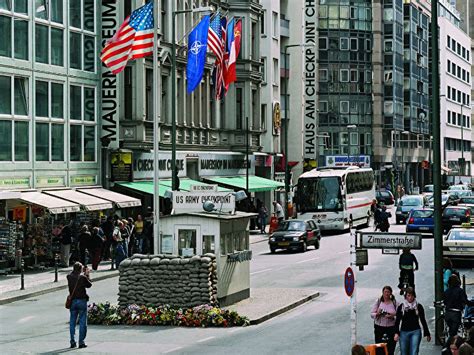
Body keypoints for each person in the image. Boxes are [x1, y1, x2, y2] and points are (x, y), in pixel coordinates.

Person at [394, 287, 431, 354]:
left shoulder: (418, 306)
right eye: (408, 296)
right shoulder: (401, 307)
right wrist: (396, 333)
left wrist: (427, 333)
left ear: (414, 296)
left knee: (414, 352)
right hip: (404, 332)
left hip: (415, 331)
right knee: (403, 352)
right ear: (405, 297)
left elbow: (423, 320)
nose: (410, 297)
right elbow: (397, 321)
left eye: (412, 295)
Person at [444, 274, 474, 348]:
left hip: (448, 313)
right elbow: (466, 301)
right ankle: (448, 347)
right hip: (456, 313)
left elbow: (445, 302)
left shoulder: (447, 291)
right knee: (453, 333)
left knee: (451, 330)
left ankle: (449, 346)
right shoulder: (460, 291)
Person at [67, 262, 92, 349]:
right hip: (82, 301)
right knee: (82, 322)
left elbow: (72, 275)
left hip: (73, 301)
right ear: (80, 269)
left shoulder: (69, 277)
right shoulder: (82, 277)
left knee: (72, 322)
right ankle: (81, 342)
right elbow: (89, 285)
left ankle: (72, 341)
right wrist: (87, 275)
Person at [371, 286, 398, 355]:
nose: (386, 294)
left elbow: (400, 314)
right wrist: (377, 313)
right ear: (382, 293)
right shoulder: (378, 301)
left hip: (391, 327)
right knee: (379, 348)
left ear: (391, 293)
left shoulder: (395, 302)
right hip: (379, 327)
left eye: (388, 292)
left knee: (391, 348)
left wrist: (392, 315)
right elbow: (372, 314)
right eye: (385, 292)